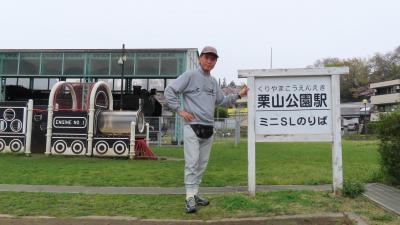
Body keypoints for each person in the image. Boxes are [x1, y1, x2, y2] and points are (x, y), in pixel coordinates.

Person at [164, 46, 249, 213]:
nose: (209, 61)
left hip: (208, 128)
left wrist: (239, 94)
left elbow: (222, 100)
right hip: (192, 127)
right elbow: (170, 91)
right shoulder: (190, 75)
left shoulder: (213, 82)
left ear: (215, 62)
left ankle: (195, 193)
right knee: (192, 162)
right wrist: (179, 110)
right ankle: (189, 197)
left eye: (213, 59)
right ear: (200, 58)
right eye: (207, 58)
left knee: (202, 164)